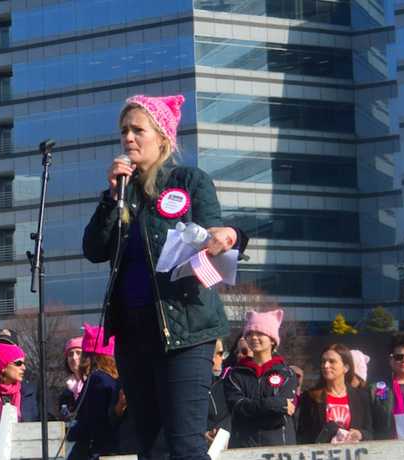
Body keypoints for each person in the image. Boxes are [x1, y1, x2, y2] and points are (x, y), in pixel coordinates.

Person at [82, 94, 247, 460]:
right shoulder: (123, 194)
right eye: (124, 131)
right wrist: (111, 199)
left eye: (138, 130)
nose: (128, 138)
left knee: (185, 444)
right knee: (150, 447)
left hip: (185, 330)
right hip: (133, 335)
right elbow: (94, 249)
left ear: (163, 138)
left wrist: (228, 235)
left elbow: (216, 229)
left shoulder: (188, 180)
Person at [224, 309, 297, 447]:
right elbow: (238, 408)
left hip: (279, 449)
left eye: (260, 333)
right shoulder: (234, 375)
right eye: (250, 333)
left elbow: (282, 416)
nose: (254, 337)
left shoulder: (287, 374)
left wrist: (253, 409)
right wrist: (274, 404)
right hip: (244, 448)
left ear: (272, 340)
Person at [298, 344, 373, 444]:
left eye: (332, 361)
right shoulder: (310, 397)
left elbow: (370, 432)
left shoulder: (361, 397)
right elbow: (303, 434)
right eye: (323, 361)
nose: (326, 365)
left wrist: (360, 434)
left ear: (346, 367)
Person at [67, 324, 121, 459]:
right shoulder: (113, 379)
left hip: (98, 451)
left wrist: (68, 432)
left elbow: (92, 422)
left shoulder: (97, 380)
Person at [206, 338, 230, 445]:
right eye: (219, 353)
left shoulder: (225, 385)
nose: (221, 359)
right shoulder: (185, 388)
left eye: (221, 354)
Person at [58, 335, 84, 420]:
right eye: (70, 354)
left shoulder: (93, 383)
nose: (74, 357)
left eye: (78, 353)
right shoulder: (67, 390)